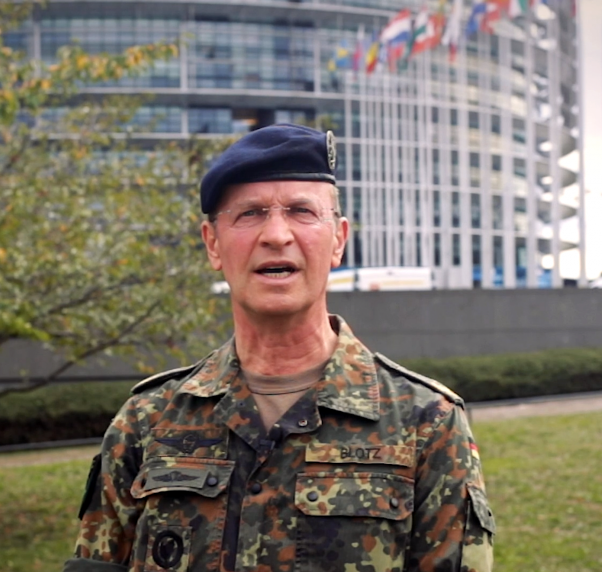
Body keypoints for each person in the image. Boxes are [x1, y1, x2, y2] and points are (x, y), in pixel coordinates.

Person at [63, 124, 495, 572]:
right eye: (249, 213)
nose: (276, 235)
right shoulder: (147, 421)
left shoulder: (426, 423)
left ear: (338, 240)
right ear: (213, 243)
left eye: (301, 211)